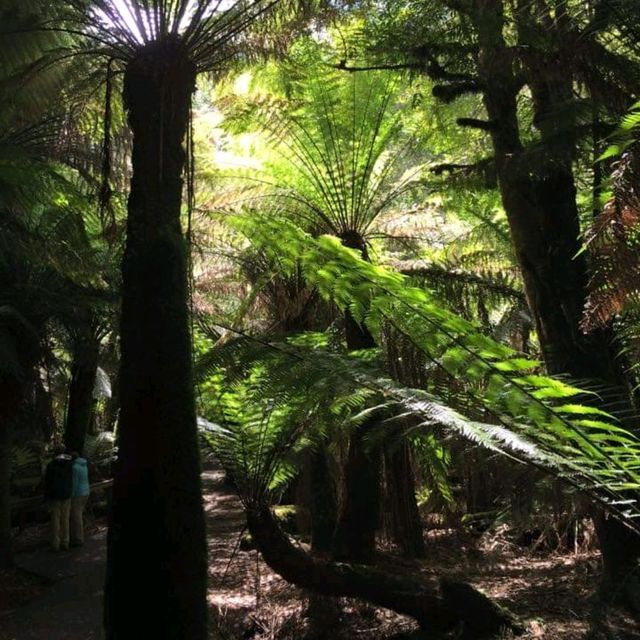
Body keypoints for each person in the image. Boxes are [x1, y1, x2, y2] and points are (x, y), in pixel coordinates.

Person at [44, 446, 73, 551]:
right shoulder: (69, 464)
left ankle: (55, 544)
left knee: (55, 520)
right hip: (66, 494)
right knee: (65, 519)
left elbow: (47, 483)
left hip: (55, 495)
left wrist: (46, 497)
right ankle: (65, 542)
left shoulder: (51, 465)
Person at [70, 451, 90, 547]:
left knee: (76, 517)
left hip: (78, 493)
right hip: (86, 491)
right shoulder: (84, 465)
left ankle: (78, 539)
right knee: (79, 515)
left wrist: (72, 494)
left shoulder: (75, 468)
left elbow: (75, 483)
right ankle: (76, 536)